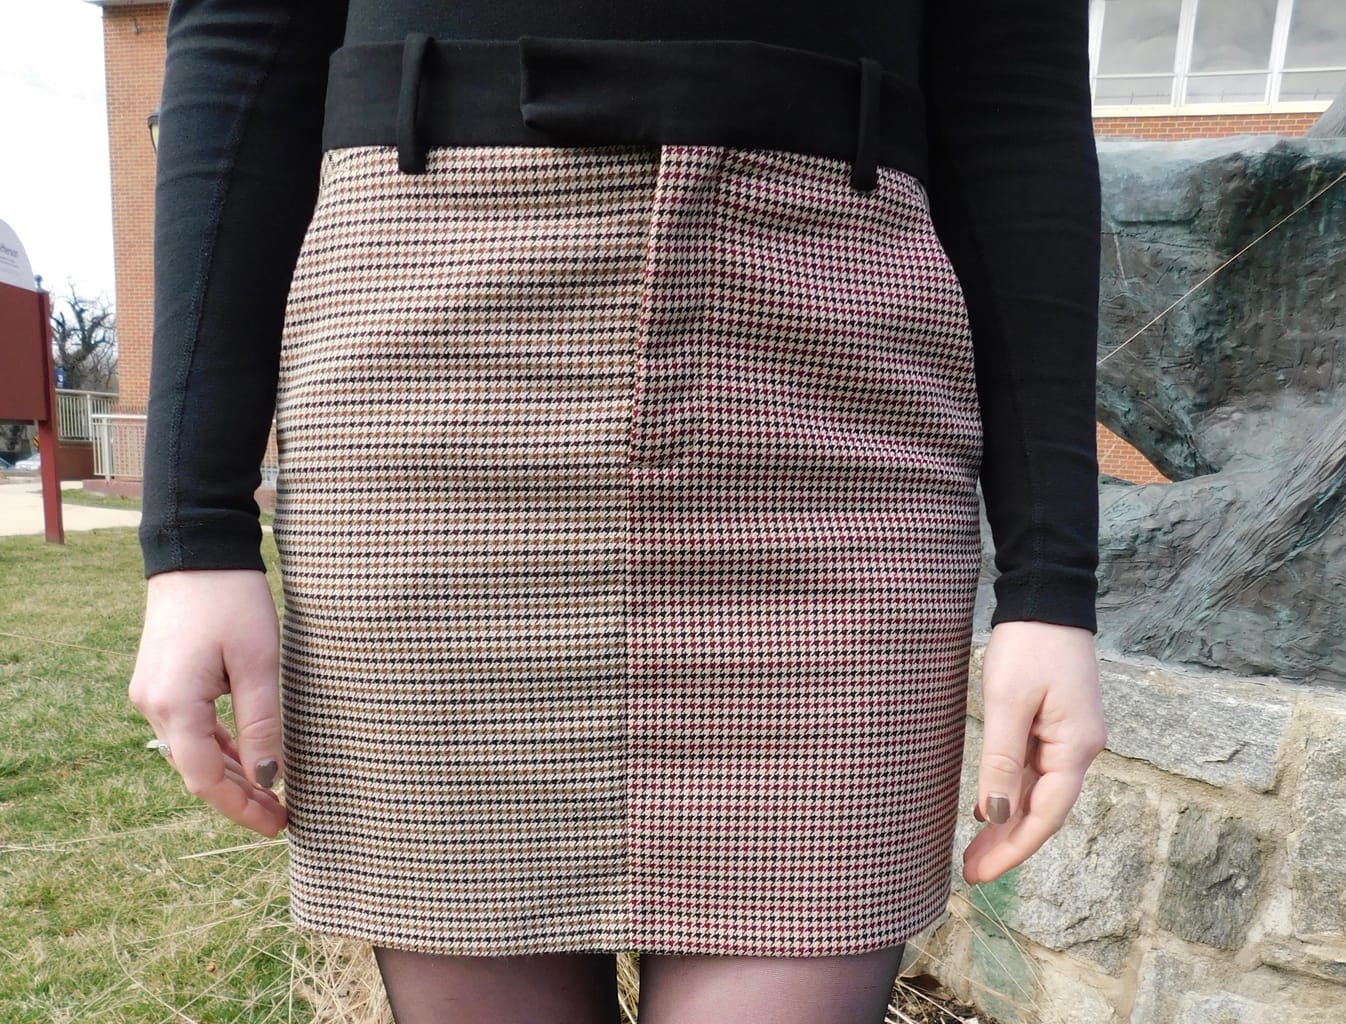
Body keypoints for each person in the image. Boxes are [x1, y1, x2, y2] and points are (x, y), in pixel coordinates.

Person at [129, 1, 1108, 1021]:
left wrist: (1049, 585)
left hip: (835, 347)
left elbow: (1013, 101)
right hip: (429, 347)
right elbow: (247, 37)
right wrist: (194, 530)